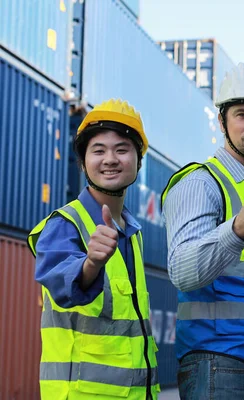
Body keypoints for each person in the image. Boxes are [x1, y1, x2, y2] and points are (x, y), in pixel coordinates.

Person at [161, 61, 244, 400]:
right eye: (242, 115)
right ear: (222, 122)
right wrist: (236, 231)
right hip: (219, 363)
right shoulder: (201, 182)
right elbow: (182, 271)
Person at [28, 99, 159, 399]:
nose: (110, 159)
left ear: (138, 161)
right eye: (98, 150)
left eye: (122, 149)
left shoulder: (132, 234)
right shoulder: (64, 224)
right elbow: (62, 285)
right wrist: (91, 264)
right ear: (83, 161)